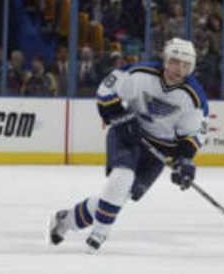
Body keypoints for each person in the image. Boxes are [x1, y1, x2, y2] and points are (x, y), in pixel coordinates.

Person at [48, 38, 209, 253]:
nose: (179, 69)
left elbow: (191, 135)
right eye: (175, 62)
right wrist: (120, 118)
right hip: (128, 134)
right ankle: (99, 234)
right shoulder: (140, 73)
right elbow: (106, 92)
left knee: (122, 194)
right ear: (165, 59)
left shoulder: (194, 97)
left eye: (186, 65)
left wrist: (185, 161)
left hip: (160, 150)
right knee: (121, 177)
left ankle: (66, 220)